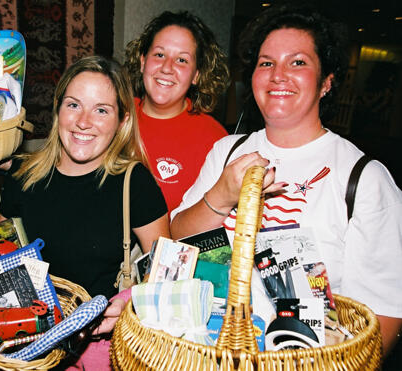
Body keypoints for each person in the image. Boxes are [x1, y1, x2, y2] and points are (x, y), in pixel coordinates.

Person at [0, 55, 170, 369]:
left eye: (101, 110)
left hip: (96, 354)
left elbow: (169, 275)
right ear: (58, 110)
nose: (83, 121)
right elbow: (2, 256)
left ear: (123, 120)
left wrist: (129, 308)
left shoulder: (133, 183)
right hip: (23, 350)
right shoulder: (22, 175)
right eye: (73, 105)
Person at [170, 4, 402, 357]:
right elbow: (179, 238)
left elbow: (383, 314)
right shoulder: (227, 151)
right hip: (207, 352)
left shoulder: (364, 178)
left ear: (327, 82)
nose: (278, 74)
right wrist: (222, 194)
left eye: (298, 62)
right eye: (266, 63)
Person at [123, 10, 230, 213]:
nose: (166, 68)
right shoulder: (114, 116)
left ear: (197, 75)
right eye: (159, 55)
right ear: (143, 61)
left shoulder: (215, 140)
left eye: (181, 60)